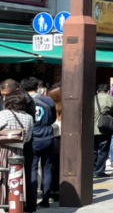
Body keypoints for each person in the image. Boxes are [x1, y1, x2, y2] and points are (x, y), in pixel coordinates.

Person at [24, 77, 55, 209]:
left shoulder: (24, 101)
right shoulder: (48, 99)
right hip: (48, 135)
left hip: (33, 137)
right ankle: (46, 199)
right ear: (38, 86)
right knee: (47, 169)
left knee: (32, 169)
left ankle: (32, 200)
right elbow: (53, 117)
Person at [0, 91, 34, 205]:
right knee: (17, 179)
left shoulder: (4, 114)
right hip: (20, 151)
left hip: (3, 150)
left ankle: (3, 202)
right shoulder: (29, 117)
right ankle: (16, 204)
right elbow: (28, 138)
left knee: (3, 176)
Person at [92, 83, 113, 179]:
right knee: (103, 151)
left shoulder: (92, 98)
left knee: (94, 151)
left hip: (91, 128)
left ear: (97, 91)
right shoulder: (110, 98)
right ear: (108, 91)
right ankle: (98, 172)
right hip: (105, 128)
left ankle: (92, 170)